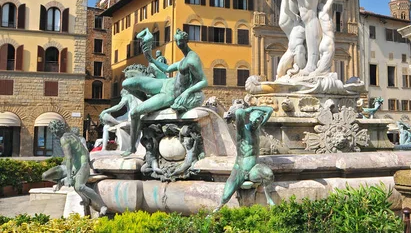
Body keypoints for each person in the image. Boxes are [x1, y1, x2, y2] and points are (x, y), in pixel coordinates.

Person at [122, 28, 208, 156]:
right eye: (177, 41)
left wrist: (186, 93)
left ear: (186, 41)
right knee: (127, 83)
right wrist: (150, 59)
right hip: (166, 83)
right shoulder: (185, 58)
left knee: (134, 112)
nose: (178, 44)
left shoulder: (192, 59)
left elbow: (204, 81)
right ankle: (149, 104)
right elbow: (167, 68)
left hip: (170, 95)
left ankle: (131, 148)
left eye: (180, 42)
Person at [215, 104, 275, 212]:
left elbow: (270, 110)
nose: (258, 121)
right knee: (225, 196)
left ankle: (269, 199)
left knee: (269, 174)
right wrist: (248, 111)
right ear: (250, 118)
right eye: (256, 119)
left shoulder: (257, 128)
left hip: (254, 169)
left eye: (260, 120)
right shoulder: (242, 131)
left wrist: (253, 109)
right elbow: (239, 113)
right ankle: (216, 210)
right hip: (240, 170)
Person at [41, 120, 108, 216]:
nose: (53, 132)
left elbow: (69, 158)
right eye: (51, 130)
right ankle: (85, 199)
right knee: (46, 175)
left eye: (53, 130)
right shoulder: (69, 135)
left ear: (57, 129)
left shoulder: (64, 139)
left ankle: (102, 205)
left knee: (79, 186)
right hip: (75, 166)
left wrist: (69, 177)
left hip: (82, 164)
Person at [312, 0, 336, 76]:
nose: (324, 3)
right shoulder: (324, 13)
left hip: (322, 44)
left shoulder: (319, 15)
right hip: (328, 42)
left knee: (321, 72)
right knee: (322, 73)